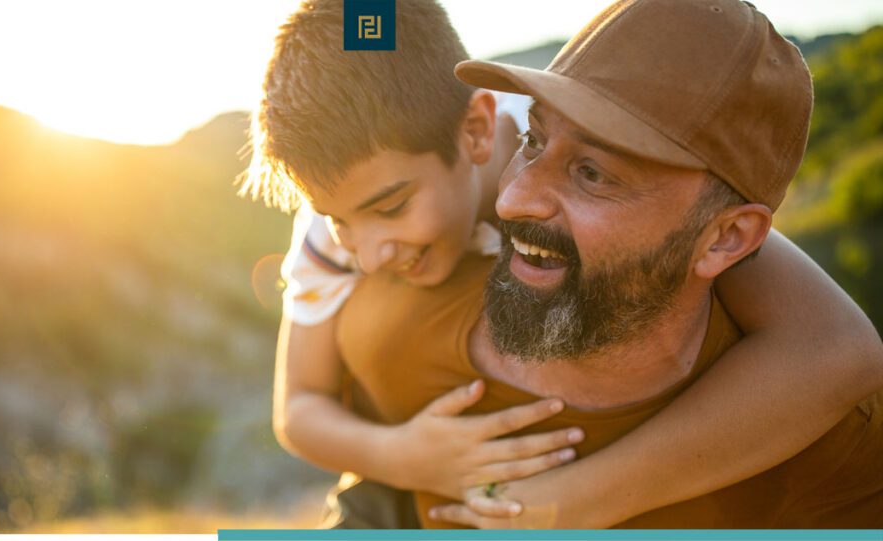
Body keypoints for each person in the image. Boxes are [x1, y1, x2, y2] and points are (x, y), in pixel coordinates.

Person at [240, 0, 883, 528]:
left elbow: (838, 348)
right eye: (536, 143)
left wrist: (586, 495)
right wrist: (400, 457)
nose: (368, 250)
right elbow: (299, 406)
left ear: (477, 132)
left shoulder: (559, 135)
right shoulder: (331, 231)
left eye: (593, 173)